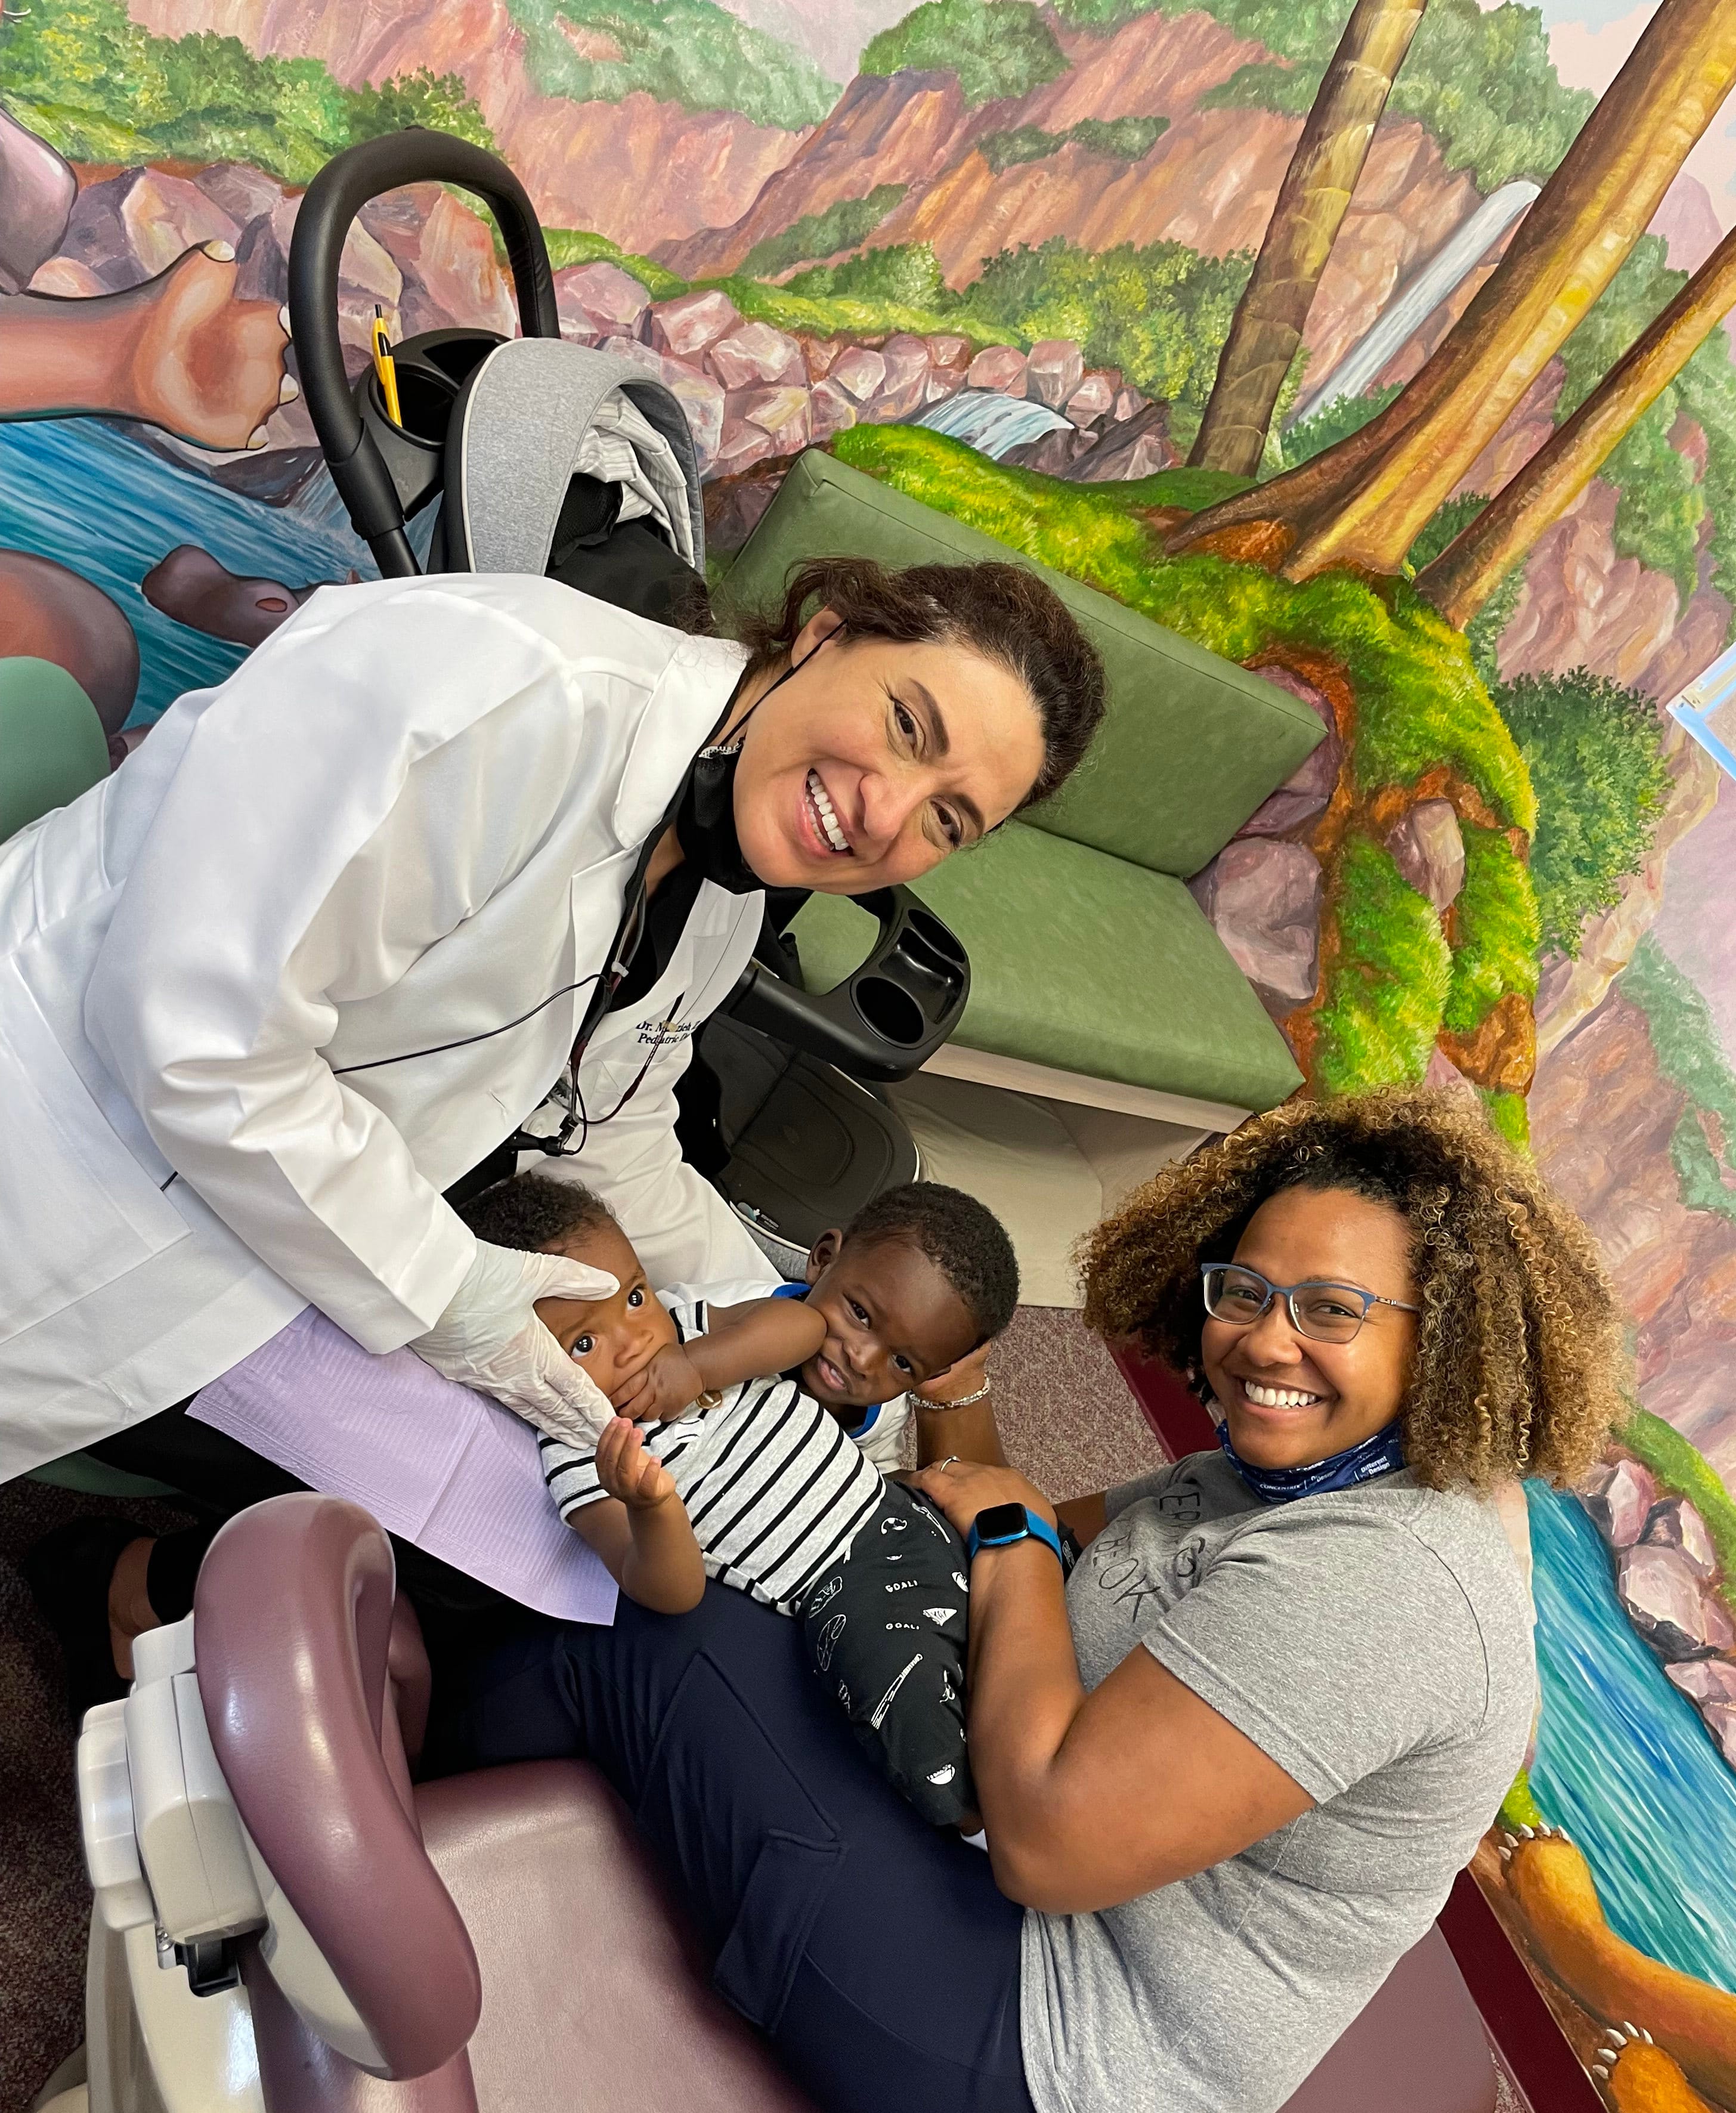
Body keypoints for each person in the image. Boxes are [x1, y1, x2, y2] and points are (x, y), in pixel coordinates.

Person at [5, 553, 1104, 1696]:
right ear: (823, 634)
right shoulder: (498, 686)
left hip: (293, 1209)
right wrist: (450, 1295)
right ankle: (128, 1588)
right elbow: (194, 1035)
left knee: (553, 1547)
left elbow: (611, 1125)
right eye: (906, 724)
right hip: (83, 1166)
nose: (884, 811)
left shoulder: (720, 892)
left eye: (946, 818)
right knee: (495, 1560)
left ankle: (149, 1583)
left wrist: (805, 1317)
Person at [454, 1087, 1627, 2113]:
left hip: (1035, 2031)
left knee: (657, 1620)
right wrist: (948, 1375)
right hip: (1019, 1831)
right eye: (1246, 1290)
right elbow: (1022, 1532)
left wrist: (1007, 1535)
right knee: (807, 1554)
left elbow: (1047, 1830)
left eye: (1332, 1309)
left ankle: (398, 1793)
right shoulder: (1282, 1472)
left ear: (1449, 1342)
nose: (1269, 1340)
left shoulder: (1386, 1584)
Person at [467, 1170, 1021, 1827]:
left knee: (1006, 1601)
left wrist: (699, 1365)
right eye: (584, 1343)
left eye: (637, 1296)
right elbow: (669, 1591)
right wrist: (653, 1507)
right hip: (839, 1585)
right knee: (914, 1709)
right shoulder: (583, 1455)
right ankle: (988, 1821)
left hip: (894, 1513)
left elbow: (798, 1327)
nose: (636, 1338)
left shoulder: (689, 1328)